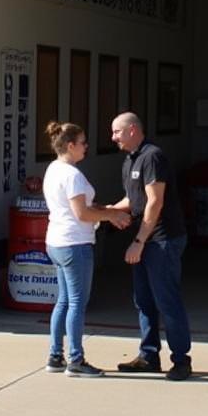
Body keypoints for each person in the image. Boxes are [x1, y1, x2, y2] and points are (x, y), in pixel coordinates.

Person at [42, 120, 131, 377]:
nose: (86, 147)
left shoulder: (54, 169)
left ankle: (55, 355)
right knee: (78, 303)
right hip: (75, 244)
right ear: (70, 146)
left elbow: (81, 209)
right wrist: (112, 216)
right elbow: (82, 214)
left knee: (64, 301)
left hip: (56, 241)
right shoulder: (72, 175)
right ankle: (76, 359)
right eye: (82, 143)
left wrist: (108, 210)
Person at [109, 111, 193, 380]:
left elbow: (154, 201)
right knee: (143, 301)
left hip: (161, 241)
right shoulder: (130, 160)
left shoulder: (152, 157)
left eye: (117, 132)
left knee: (167, 301)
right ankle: (148, 356)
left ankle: (181, 360)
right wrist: (106, 211)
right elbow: (133, 200)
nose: (113, 138)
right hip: (145, 241)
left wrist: (138, 241)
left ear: (133, 130)